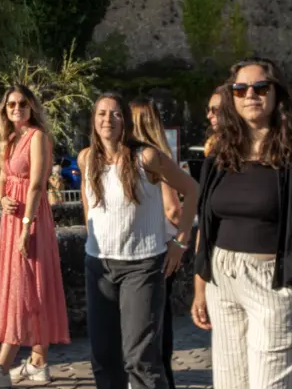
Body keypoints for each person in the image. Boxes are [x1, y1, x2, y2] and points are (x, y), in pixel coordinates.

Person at [187, 59, 292, 389]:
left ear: (277, 94)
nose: (250, 95)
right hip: (223, 282)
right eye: (240, 89)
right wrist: (201, 287)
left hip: (276, 282)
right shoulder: (220, 155)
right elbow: (208, 225)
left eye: (260, 88)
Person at [80, 93, 198, 389]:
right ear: (93, 121)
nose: (108, 119)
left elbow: (193, 190)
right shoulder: (86, 159)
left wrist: (180, 243)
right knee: (104, 357)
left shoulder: (146, 157)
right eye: (102, 114)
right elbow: (89, 205)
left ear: (125, 121)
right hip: (99, 266)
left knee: (140, 360)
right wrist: (93, 239)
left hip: (142, 267)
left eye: (115, 114)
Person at [0, 85, 70, 388]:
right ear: (5, 109)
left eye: (23, 103)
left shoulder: (38, 137)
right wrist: (1, 200)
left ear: (32, 107)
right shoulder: (10, 139)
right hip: (11, 222)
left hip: (31, 221)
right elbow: (1, 180)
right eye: (12, 104)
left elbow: (37, 185)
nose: (17, 108)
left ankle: (1, 369)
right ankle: (38, 362)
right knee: (27, 287)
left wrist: (26, 227)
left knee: (23, 287)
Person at [130, 98, 188, 381]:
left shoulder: (150, 158)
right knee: (157, 325)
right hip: (161, 247)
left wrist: (179, 241)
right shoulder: (158, 155)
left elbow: (173, 209)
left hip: (156, 249)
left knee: (152, 327)